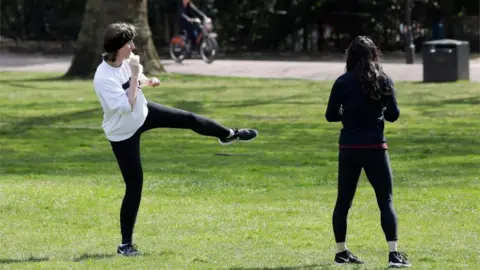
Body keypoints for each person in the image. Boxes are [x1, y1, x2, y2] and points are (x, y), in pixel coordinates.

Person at [93, 22, 258, 256]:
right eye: (129, 42)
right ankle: (125, 245)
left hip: (144, 113)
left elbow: (134, 85)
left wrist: (146, 80)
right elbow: (126, 104)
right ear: (119, 46)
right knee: (135, 185)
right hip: (123, 132)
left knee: (189, 118)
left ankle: (229, 135)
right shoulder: (102, 78)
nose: (133, 46)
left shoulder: (123, 62)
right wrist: (134, 74)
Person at [325, 36, 411, 268]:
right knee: (385, 200)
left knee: (343, 201)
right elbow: (393, 115)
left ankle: (340, 252)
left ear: (350, 56)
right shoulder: (383, 80)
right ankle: (393, 254)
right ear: (375, 54)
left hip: (349, 148)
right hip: (375, 147)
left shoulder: (342, 82)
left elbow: (331, 115)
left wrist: (350, 114)